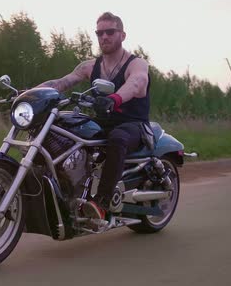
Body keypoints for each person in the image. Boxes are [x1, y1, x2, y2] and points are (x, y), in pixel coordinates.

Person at [38, 12, 150, 220]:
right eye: (100, 32)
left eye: (110, 32)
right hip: (102, 122)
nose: (104, 37)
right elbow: (62, 82)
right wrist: (29, 94)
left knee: (117, 138)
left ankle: (101, 203)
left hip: (133, 125)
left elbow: (136, 83)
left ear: (122, 35)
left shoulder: (136, 64)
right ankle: (64, 189)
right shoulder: (90, 66)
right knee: (61, 128)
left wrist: (114, 99)